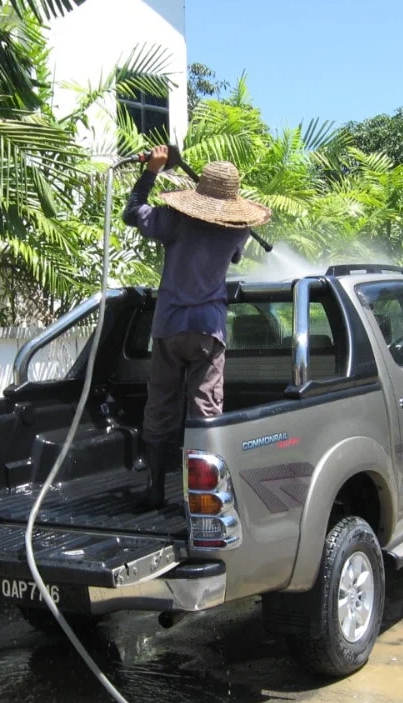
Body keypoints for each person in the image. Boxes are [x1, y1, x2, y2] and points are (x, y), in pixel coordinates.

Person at [123, 145, 272, 509]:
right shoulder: (238, 231)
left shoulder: (175, 221)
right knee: (205, 411)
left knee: (161, 406)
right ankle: (204, 498)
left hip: (170, 328)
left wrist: (151, 172)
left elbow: (132, 214)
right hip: (208, 331)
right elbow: (234, 254)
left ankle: (156, 489)